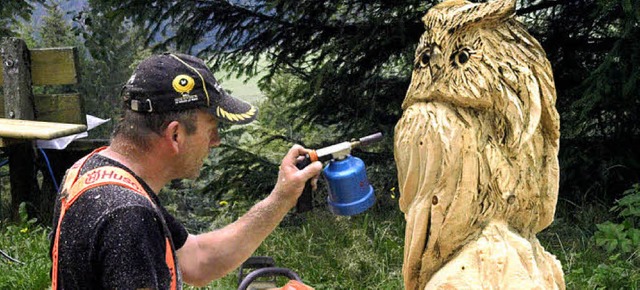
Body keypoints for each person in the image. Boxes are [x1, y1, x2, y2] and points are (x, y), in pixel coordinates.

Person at [49, 53, 323, 289]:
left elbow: (198, 261)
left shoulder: (91, 170)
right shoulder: (128, 216)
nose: (215, 141)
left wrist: (282, 197)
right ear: (176, 135)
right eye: (211, 129)